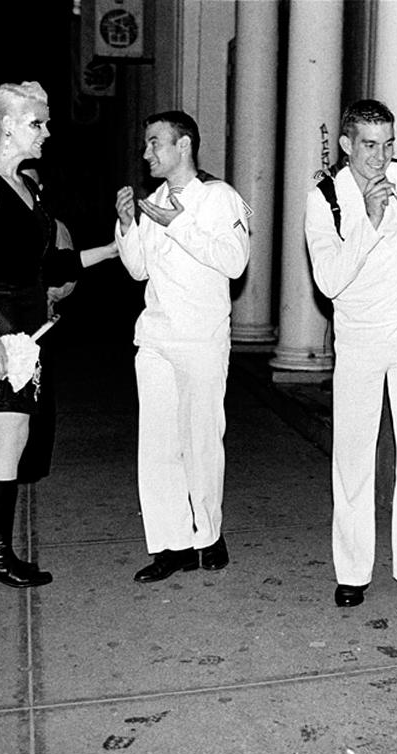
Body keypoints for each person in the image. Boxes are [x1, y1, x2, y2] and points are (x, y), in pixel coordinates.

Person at [0, 81, 118, 589]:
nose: (46, 132)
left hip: (25, 328)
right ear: (8, 125)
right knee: (11, 437)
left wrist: (109, 250)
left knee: (4, 438)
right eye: (37, 123)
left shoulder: (26, 186)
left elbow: (48, 265)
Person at [303, 99, 397, 609]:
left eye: (388, 144)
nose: (380, 157)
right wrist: (366, 220)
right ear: (346, 145)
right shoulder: (326, 197)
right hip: (360, 340)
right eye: (369, 145)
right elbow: (328, 279)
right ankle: (352, 571)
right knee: (353, 458)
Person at [113, 110, 250, 583]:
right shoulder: (152, 201)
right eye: (147, 144)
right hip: (155, 339)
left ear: (184, 145)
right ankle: (170, 546)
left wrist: (178, 224)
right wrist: (129, 225)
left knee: (201, 441)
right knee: (156, 447)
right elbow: (138, 270)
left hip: (201, 338)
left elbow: (234, 262)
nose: (147, 153)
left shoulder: (220, 198)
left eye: (155, 143)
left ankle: (208, 535)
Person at [15, 162, 77, 485]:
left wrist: (48, 295)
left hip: (41, 325)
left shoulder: (55, 226)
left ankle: (34, 461)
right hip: (7, 324)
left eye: (34, 183)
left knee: (38, 393)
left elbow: (69, 275)